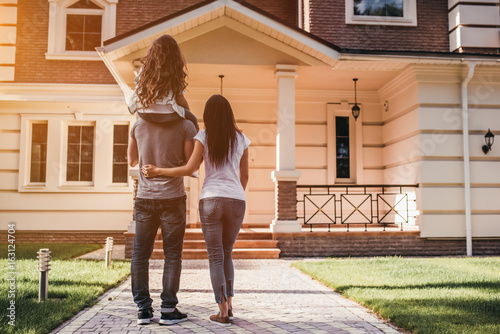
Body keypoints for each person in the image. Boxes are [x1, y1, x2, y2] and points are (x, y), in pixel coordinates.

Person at [142, 95, 250, 327]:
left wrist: (158, 170)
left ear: (208, 116)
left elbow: (190, 168)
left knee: (216, 256)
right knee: (227, 253)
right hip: (236, 201)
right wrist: (235, 195)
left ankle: (221, 312)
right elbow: (245, 176)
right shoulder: (242, 138)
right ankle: (229, 307)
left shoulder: (203, 136)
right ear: (230, 114)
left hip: (211, 199)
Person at [127, 34, 197, 326]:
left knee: (140, 254)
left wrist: (148, 165)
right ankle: (169, 309)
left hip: (144, 198)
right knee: (172, 255)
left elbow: (132, 160)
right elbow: (187, 161)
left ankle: (143, 310)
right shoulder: (186, 124)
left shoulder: (138, 122)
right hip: (172, 198)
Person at [127, 35, 198, 130]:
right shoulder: (174, 70)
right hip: (167, 115)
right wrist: (188, 112)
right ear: (175, 55)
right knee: (194, 121)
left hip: (145, 114)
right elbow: (179, 99)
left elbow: (139, 89)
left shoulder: (145, 70)